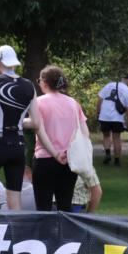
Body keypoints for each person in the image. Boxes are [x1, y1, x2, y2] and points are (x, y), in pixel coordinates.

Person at [0, 45, 51, 210]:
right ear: (13, 63)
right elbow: (36, 123)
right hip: (18, 148)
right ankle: (16, 235)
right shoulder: (29, 86)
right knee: (14, 203)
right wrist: (18, 123)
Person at [31, 65, 82, 212]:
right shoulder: (73, 103)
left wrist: (54, 153)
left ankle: (43, 235)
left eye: (39, 80)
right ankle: (65, 235)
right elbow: (83, 132)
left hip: (45, 159)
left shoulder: (38, 102)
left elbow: (39, 130)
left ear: (44, 82)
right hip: (69, 159)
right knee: (65, 207)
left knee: (43, 208)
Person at [95, 72, 128, 166]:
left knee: (106, 136)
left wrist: (98, 113)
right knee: (116, 138)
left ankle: (107, 154)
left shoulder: (109, 85)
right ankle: (117, 160)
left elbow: (100, 100)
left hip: (104, 116)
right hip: (117, 118)